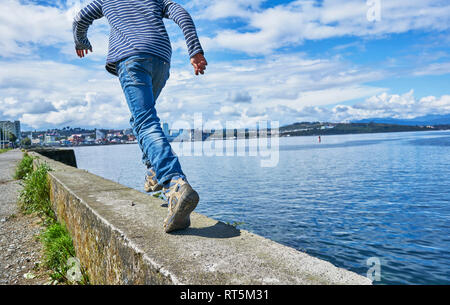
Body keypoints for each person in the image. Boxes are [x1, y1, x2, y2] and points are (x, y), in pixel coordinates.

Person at [73, 0, 207, 233]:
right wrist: (194, 49)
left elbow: (80, 19)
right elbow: (182, 15)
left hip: (131, 58)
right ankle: (154, 170)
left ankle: (174, 183)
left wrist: (81, 40)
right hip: (160, 60)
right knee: (140, 119)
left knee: (145, 121)